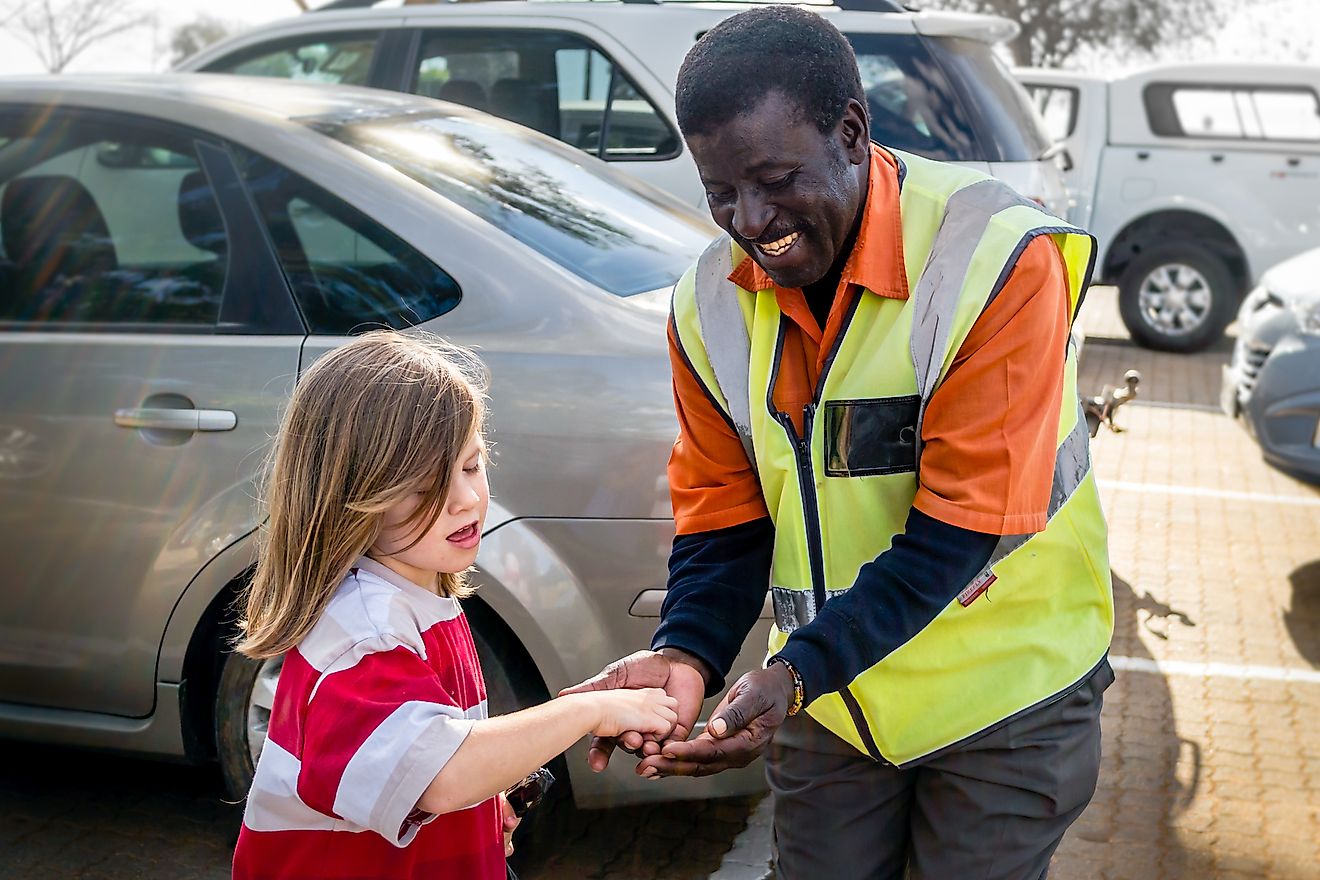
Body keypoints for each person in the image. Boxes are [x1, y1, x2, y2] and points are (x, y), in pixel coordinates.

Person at [562, 7, 1115, 879]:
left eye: (776, 177)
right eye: (720, 191)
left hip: (1004, 699)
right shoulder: (708, 304)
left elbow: (961, 532)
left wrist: (792, 676)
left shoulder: (995, 259)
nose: (750, 219)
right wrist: (689, 652)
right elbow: (725, 517)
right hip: (838, 705)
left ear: (852, 132)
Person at [230, 331, 678, 880]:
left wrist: (480, 803)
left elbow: (417, 769)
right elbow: (437, 774)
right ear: (350, 493)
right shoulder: (364, 630)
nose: (466, 497)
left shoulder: (416, 591)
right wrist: (588, 711)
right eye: (424, 486)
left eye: (471, 466)